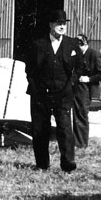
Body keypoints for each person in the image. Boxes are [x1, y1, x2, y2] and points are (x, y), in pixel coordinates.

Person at [25, 9, 81, 172]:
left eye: (64, 23)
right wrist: (35, 88)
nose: (61, 26)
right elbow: (29, 69)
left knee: (64, 128)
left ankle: (68, 164)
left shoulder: (72, 44)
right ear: (50, 25)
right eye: (58, 23)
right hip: (40, 94)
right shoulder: (38, 44)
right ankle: (42, 164)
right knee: (40, 129)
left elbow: (79, 68)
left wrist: (71, 84)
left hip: (63, 95)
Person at [72, 33, 101, 148]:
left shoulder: (94, 54)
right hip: (76, 88)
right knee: (76, 115)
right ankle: (76, 142)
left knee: (82, 115)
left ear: (83, 44)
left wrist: (89, 79)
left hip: (86, 89)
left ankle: (81, 144)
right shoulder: (77, 54)